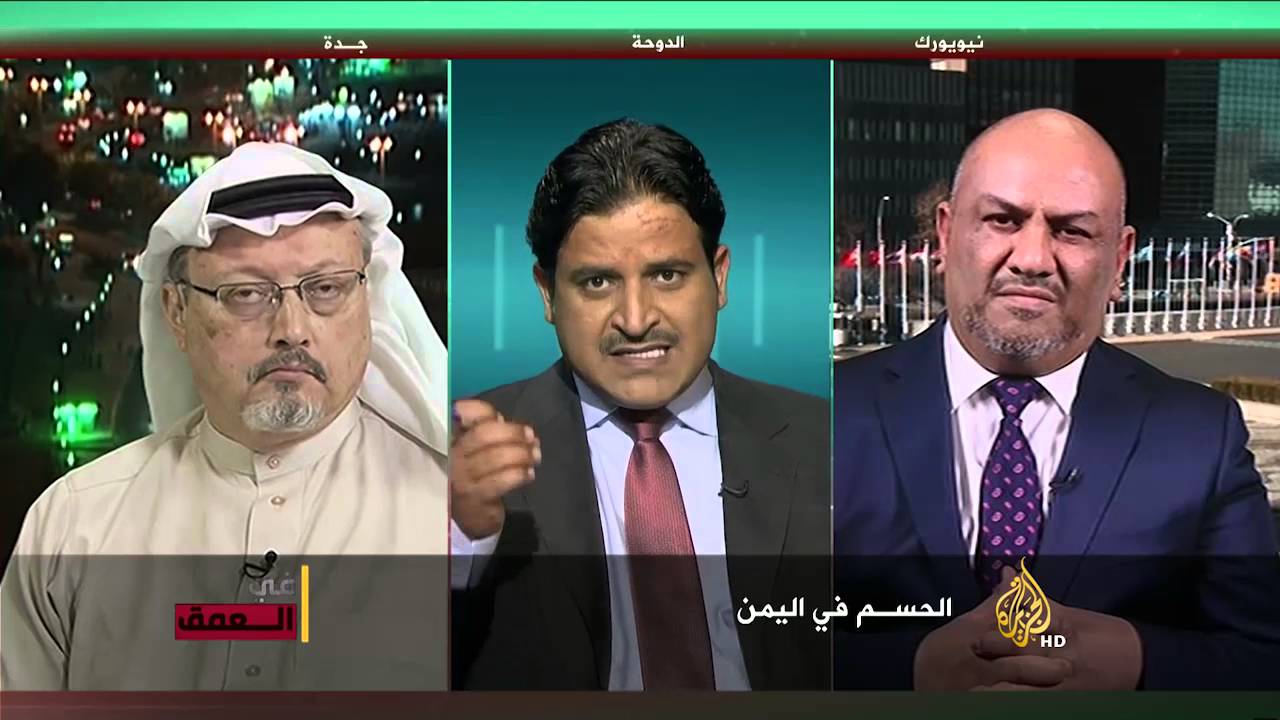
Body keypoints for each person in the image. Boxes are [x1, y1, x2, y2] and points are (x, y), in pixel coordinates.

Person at [833, 108, 1280, 690]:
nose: (1032, 259)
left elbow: (1262, 658)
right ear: (945, 234)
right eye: (1002, 220)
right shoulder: (822, 415)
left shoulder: (1202, 435)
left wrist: (1136, 660)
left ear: (1119, 259)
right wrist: (912, 669)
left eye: (1073, 231)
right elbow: (742, 641)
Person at [0, 142, 450, 690]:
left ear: (367, 298)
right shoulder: (75, 529)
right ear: (177, 313)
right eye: (246, 294)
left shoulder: (459, 522)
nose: (292, 329)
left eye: (326, 289)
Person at [450, 119, 829, 690]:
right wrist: (461, 534)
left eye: (667, 275)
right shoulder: (461, 457)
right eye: (597, 283)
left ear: (719, 277)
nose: (635, 318)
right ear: (547, 293)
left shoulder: (825, 441)